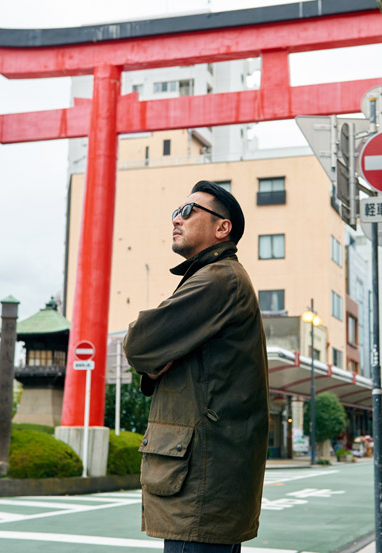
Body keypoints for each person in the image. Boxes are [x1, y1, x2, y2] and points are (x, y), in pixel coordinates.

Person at [123, 180, 269, 552]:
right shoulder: (217, 278)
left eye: (189, 212)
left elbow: (140, 342)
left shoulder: (218, 279)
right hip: (209, 477)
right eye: (176, 211)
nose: (177, 219)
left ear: (222, 228)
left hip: (201, 481)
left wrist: (153, 359)